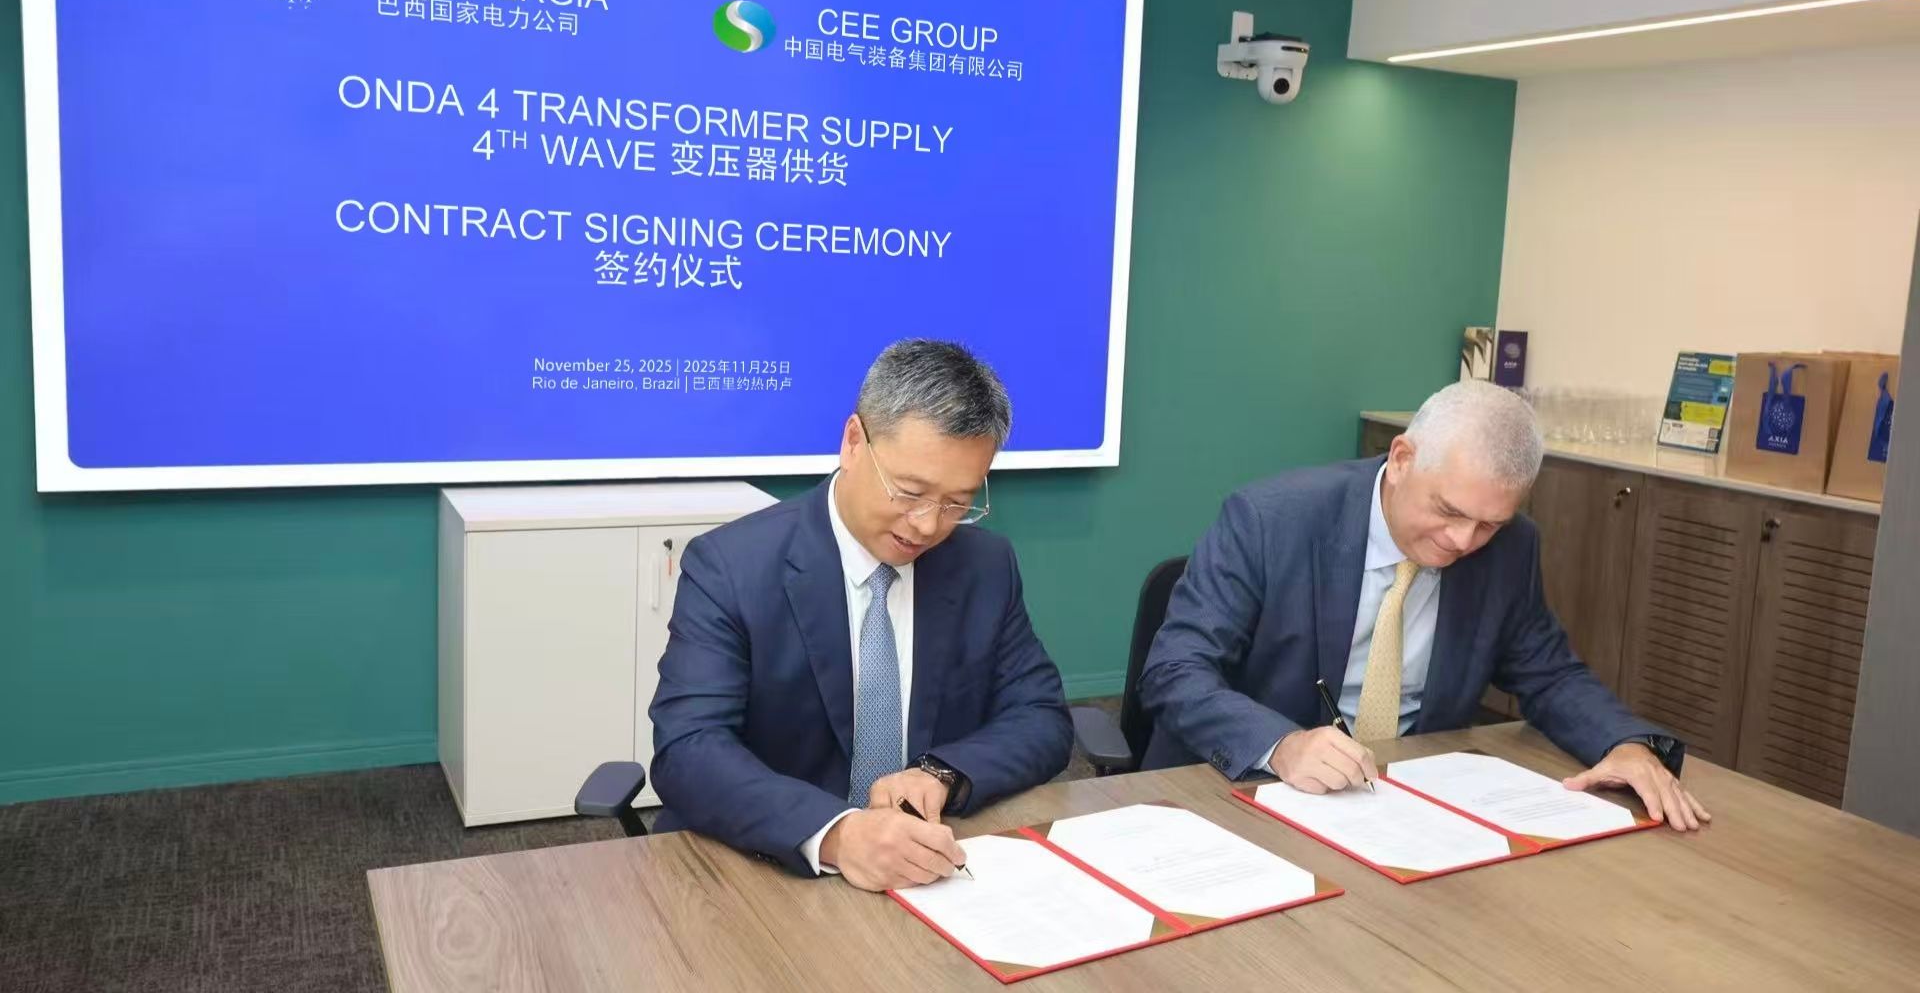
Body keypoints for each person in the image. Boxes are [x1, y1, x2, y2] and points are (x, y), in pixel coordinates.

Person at [1139, 380, 1710, 830]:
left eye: (1488, 524)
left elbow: (1551, 674)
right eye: (1449, 511)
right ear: (1402, 458)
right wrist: (1283, 745)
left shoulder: (1510, 548)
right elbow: (1174, 670)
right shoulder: (1270, 521)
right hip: (1244, 794)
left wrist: (1625, 744)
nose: (1463, 541)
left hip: (1404, 807)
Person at [649, 339, 1073, 888]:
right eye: (910, 492)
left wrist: (941, 774)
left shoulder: (985, 566)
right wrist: (838, 833)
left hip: (925, 866)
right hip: (763, 871)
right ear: (853, 443)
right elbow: (689, 749)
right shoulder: (731, 567)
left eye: (957, 502)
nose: (928, 525)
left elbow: (1041, 717)